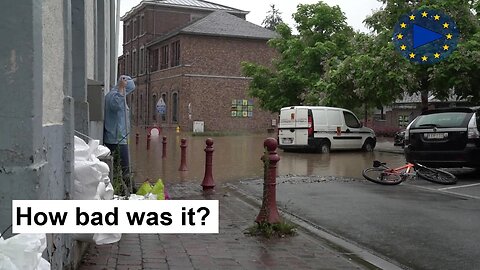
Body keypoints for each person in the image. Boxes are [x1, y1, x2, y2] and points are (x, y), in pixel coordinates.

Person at [104, 75, 136, 194]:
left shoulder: (117, 95)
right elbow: (116, 106)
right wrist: (122, 90)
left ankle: (123, 192)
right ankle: (128, 194)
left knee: (119, 171)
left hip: (119, 138)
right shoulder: (115, 96)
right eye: (129, 90)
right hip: (117, 140)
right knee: (124, 171)